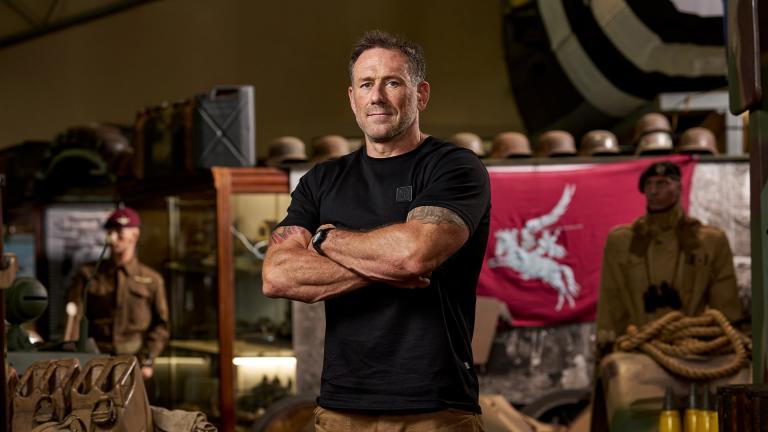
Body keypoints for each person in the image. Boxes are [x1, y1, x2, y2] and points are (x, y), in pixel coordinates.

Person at [262, 30, 490, 431]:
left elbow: (414, 255)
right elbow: (277, 275)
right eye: (366, 84)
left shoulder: (453, 167)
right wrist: (386, 264)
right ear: (352, 98)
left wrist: (325, 240)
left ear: (421, 94)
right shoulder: (322, 180)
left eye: (393, 82)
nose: (377, 96)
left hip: (435, 408)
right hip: (342, 407)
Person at [596, 162, 744, 352]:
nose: (654, 191)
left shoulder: (708, 241)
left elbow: (725, 308)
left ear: (679, 187)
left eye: (662, 183)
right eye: (648, 185)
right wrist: (607, 342)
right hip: (639, 347)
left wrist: (724, 343)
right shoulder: (623, 241)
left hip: (693, 346)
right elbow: (611, 297)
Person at [66, 207, 169, 380]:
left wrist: (148, 359)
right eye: (110, 231)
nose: (113, 237)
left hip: (134, 362)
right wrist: (73, 359)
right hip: (94, 362)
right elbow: (74, 319)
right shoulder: (88, 274)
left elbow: (162, 326)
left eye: (119, 232)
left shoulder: (152, 279)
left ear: (134, 236)